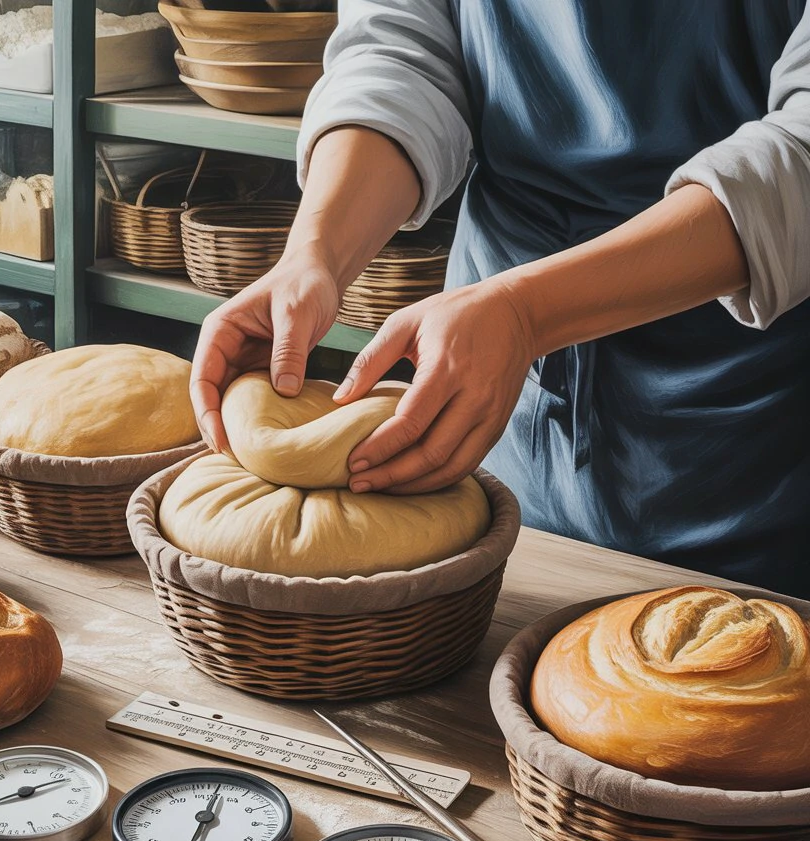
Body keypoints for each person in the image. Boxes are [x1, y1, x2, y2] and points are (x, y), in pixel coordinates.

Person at [190, 0, 810, 597]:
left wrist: (526, 311)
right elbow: (401, 56)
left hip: (748, 426)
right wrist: (315, 254)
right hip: (488, 384)